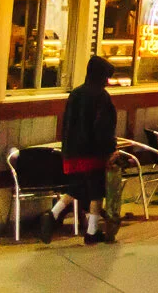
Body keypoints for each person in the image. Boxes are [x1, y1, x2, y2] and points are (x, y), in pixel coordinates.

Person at [45, 54, 117, 244]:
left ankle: (54, 213)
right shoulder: (101, 97)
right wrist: (110, 150)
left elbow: (66, 123)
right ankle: (92, 232)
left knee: (77, 187)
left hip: (71, 152)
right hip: (92, 153)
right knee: (96, 191)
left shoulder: (75, 94)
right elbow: (103, 127)